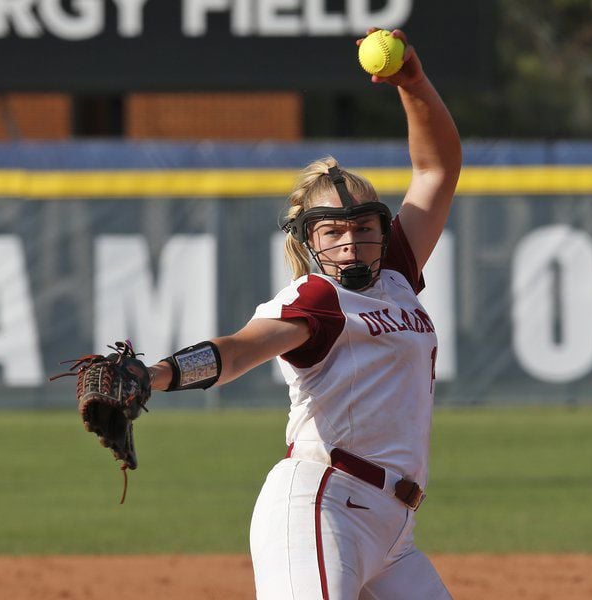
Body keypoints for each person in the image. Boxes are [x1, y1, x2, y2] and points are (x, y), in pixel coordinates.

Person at [147, 28, 461, 600]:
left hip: (395, 528)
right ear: (308, 240)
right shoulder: (316, 298)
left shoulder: (395, 274)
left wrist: (412, 82)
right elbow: (243, 348)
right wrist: (154, 376)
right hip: (324, 504)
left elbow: (437, 168)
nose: (351, 241)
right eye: (332, 230)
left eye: (364, 227)